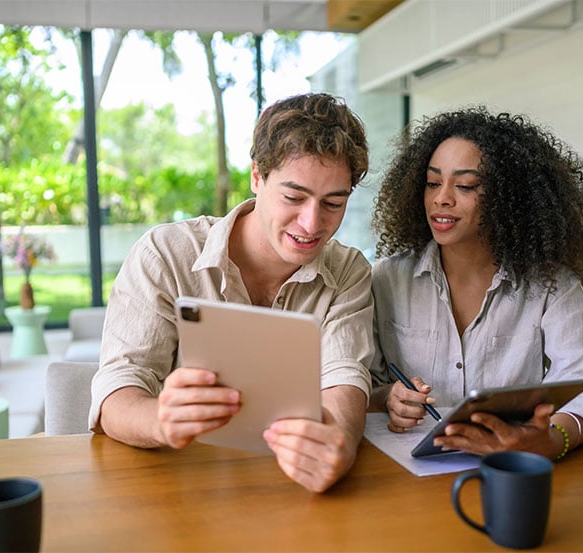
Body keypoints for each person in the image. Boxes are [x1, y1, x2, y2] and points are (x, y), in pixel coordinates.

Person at [89, 93, 374, 493]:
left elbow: (344, 378)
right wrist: (159, 420)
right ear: (257, 177)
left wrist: (340, 442)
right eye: (293, 197)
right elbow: (117, 391)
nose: (312, 223)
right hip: (178, 487)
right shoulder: (165, 254)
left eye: (333, 202)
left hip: (287, 489)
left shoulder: (348, 271)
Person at [369, 107, 583, 460]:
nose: (442, 197)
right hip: (409, 472)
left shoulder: (551, 286)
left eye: (466, 185)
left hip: (509, 471)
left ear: (509, 198)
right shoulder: (386, 279)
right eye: (432, 182)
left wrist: (552, 438)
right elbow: (364, 386)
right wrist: (388, 398)